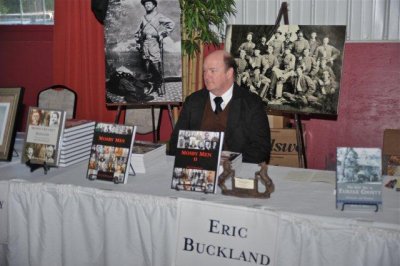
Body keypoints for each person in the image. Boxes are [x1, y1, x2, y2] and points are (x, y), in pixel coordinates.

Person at [169, 50, 271, 163]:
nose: (206, 76)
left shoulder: (252, 103)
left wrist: (228, 163)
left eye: (212, 71)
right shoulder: (193, 101)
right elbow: (175, 143)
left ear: (229, 73)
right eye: (204, 71)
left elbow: (261, 149)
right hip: (197, 169)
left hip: (235, 171)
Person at [134, 0, 175, 97]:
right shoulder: (143, 18)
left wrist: (163, 34)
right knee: (147, 64)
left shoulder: (158, 16)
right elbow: (138, 32)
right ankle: (151, 85)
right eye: (145, 4)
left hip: (153, 43)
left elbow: (171, 24)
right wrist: (138, 43)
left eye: (149, 3)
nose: (147, 5)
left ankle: (158, 85)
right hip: (145, 43)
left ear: (154, 5)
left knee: (155, 63)